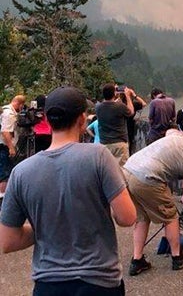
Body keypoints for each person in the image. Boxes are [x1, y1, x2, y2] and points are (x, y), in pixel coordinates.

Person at [0, 86, 136, 295]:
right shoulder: (98, 156)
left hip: (48, 285)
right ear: (82, 119)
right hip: (100, 282)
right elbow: (127, 217)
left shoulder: (21, 172)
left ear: (46, 118)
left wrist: (48, 225)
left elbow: (8, 241)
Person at [123, 129, 183, 275]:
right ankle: (178, 257)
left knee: (142, 218)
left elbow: (170, 130)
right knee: (171, 216)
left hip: (128, 171)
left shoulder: (177, 137)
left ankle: (137, 260)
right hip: (147, 177)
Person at [96, 83, 136, 166]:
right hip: (119, 143)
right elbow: (131, 111)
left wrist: (114, 94)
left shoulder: (98, 107)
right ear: (114, 93)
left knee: (107, 169)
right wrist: (127, 96)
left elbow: (108, 105)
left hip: (105, 143)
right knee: (121, 170)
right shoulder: (120, 107)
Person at [0, 95, 25, 199]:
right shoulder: (9, 114)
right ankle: (3, 198)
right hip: (4, 147)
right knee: (4, 175)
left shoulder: (6, 110)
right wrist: (11, 147)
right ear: (20, 104)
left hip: (4, 147)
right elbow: (5, 132)